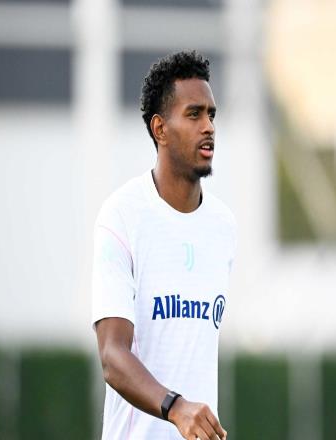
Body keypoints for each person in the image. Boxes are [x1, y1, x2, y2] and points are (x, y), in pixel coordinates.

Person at [92, 50, 236, 440]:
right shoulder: (121, 216)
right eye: (194, 114)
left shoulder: (223, 226)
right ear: (160, 129)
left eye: (211, 115)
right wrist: (175, 407)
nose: (208, 127)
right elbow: (112, 356)